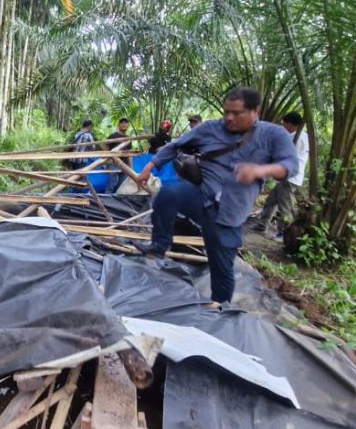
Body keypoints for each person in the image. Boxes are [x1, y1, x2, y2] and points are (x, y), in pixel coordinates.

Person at [133, 87, 298, 305]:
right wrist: (149, 167)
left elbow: (290, 165)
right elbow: (175, 146)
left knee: (220, 264)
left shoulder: (273, 135)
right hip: (201, 196)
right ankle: (159, 246)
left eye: (236, 113)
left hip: (230, 211)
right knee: (168, 194)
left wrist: (260, 171)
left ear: (255, 111)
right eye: (226, 112)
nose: (229, 118)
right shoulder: (211, 128)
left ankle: (221, 308)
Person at [251, 112, 310, 238]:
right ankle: (262, 225)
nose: (283, 127)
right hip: (290, 177)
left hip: (290, 178)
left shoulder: (295, 138)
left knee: (284, 207)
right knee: (270, 201)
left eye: (284, 124)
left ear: (290, 124)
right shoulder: (304, 137)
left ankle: (284, 233)